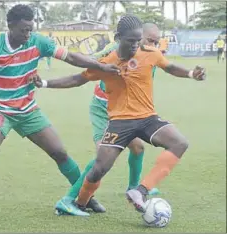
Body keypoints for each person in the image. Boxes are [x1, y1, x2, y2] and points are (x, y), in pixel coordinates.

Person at [0, 4, 120, 220]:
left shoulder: (38, 41)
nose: (28, 34)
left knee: (60, 153)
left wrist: (100, 66)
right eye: (23, 30)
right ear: (10, 26)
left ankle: (85, 197)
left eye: (30, 29)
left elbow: (71, 58)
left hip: (27, 110)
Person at [33, 15, 206, 216]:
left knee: (179, 143)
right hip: (119, 122)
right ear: (118, 38)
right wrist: (45, 83)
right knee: (100, 168)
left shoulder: (150, 53)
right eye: (130, 41)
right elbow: (77, 79)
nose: (135, 45)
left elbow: (170, 67)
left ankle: (139, 190)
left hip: (148, 117)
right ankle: (78, 203)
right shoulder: (106, 63)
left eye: (138, 40)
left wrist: (192, 74)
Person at [53, 23, 161, 216]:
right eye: (150, 40)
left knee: (138, 148)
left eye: (157, 42)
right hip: (103, 109)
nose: (154, 45)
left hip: (125, 110)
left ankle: (133, 188)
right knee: (101, 158)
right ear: (137, 37)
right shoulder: (115, 50)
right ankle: (68, 200)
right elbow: (89, 64)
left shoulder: (149, 55)